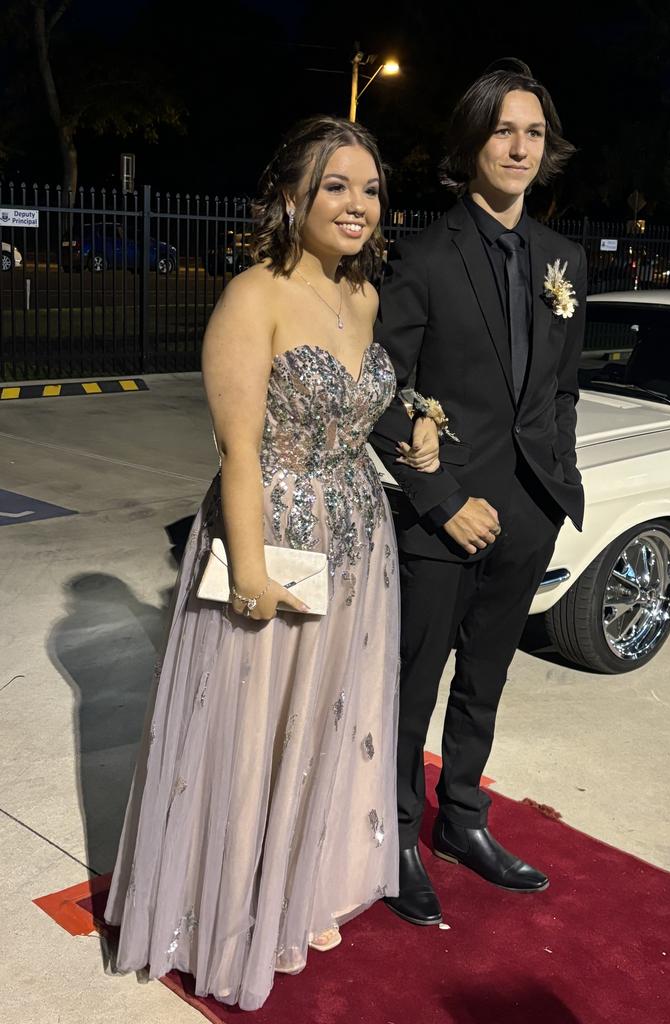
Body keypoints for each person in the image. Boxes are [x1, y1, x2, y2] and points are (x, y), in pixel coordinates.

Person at [104, 115, 439, 1010]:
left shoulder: (362, 297)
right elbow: (239, 451)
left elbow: (365, 413)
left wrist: (415, 439)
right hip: (273, 541)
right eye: (337, 186)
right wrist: (248, 571)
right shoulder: (253, 295)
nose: (359, 205)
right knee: (254, 725)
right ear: (293, 197)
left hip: (357, 547)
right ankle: (229, 904)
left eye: (370, 189)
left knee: (318, 724)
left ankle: (293, 885)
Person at [369, 59, 587, 926]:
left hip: (527, 516)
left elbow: (562, 391)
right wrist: (443, 495)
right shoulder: (424, 257)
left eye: (534, 132)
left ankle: (463, 822)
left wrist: (556, 481)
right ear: (471, 142)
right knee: (411, 687)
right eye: (504, 129)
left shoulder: (562, 260)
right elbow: (376, 389)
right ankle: (393, 838)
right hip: (440, 517)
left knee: (485, 682)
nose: (520, 146)